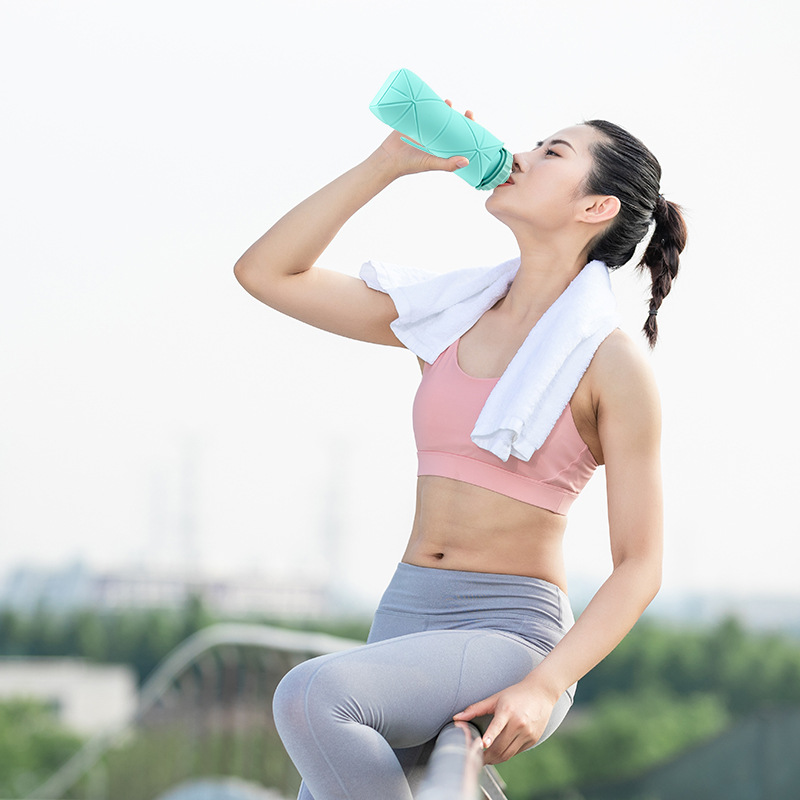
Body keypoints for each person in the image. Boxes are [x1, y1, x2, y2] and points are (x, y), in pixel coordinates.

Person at [233, 102, 688, 800]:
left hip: (509, 632)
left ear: (596, 206)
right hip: (403, 613)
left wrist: (544, 685)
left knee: (309, 697)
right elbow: (267, 273)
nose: (524, 154)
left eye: (553, 152)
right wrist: (386, 164)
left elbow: (641, 565)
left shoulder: (612, 362)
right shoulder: (452, 313)